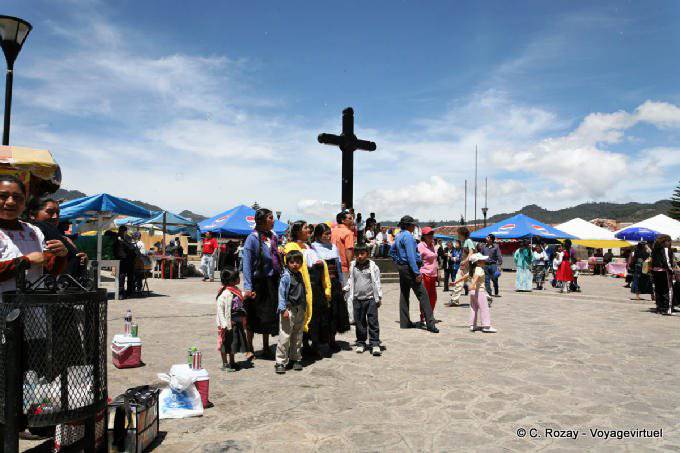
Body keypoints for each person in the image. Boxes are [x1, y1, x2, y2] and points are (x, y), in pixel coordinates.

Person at [0, 175, 68, 297]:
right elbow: (32, 260)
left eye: (17, 197)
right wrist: (25, 261)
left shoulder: (33, 231)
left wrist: (60, 256)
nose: (10, 202)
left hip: (33, 310)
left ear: (24, 201)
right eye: (3, 196)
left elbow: (50, 270)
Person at [242, 208, 282, 358]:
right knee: (253, 316)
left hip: (271, 282)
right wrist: (247, 287)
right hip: (257, 282)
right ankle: (249, 347)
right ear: (262, 220)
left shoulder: (273, 237)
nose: (273, 220)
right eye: (271, 218)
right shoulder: (252, 238)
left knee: (268, 315)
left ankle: (265, 346)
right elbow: (246, 264)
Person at [389, 215, 438, 333]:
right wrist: (416, 273)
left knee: (404, 294)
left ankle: (405, 322)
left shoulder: (398, 236)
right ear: (409, 226)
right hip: (410, 268)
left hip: (402, 267)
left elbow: (392, 251)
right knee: (423, 295)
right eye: (413, 225)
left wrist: (398, 262)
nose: (414, 227)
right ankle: (430, 324)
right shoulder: (408, 237)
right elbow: (411, 256)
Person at [285, 221, 323, 358]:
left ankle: (312, 344)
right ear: (298, 231)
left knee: (314, 316)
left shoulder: (309, 246)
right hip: (299, 286)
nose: (309, 230)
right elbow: (293, 265)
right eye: (305, 227)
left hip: (313, 284)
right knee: (299, 317)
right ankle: (299, 348)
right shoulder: (290, 246)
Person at [311, 223, 350, 352]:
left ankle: (332, 339)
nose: (328, 236)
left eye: (329, 233)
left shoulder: (333, 247)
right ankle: (320, 340)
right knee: (323, 313)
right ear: (318, 235)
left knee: (334, 312)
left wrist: (341, 282)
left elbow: (338, 267)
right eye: (325, 234)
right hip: (321, 285)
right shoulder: (313, 248)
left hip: (334, 284)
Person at [28, 197, 88, 277]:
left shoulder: (60, 236)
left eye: (58, 213)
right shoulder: (33, 233)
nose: (55, 217)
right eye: (50, 212)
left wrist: (80, 257)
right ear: (32, 215)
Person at [345, 244, 383, 355]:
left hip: (370, 299)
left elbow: (377, 282)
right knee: (360, 323)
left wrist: (379, 297)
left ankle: (375, 344)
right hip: (357, 299)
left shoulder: (373, 267)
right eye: (357, 254)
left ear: (367, 254)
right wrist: (345, 289)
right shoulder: (353, 266)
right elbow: (351, 281)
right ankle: (361, 343)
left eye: (362, 254)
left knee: (373, 321)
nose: (360, 256)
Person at [275, 250, 307, 374]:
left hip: (299, 309)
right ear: (287, 263)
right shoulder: (286, 277)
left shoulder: (299, 275)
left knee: (298, 336)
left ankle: (295, 358)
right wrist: (283, 309)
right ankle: (280, 361)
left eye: (298, 262)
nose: (295, 264)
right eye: (292, 262)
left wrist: (305, 307)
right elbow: (281, 294)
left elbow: (303, 291)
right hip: (289, 310)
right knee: (285, 336)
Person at [216, 268, 253, 372]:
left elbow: (240, 293)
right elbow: (220, 311)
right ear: (230, 281)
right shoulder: (224, 294)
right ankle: (225, 363)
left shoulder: (235, 289)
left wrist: (247, 294)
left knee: (233, 343)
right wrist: (224, 324)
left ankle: (232, 362)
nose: (239, 279)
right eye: (237, 277)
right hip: (227, 324)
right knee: (224, 344)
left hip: (236, 322)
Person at [452, 253, 497, 333]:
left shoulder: (472, 269)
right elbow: (476, 277)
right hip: (479, 291)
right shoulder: (479, 269)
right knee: (484, 308)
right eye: (482, 260)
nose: (484, 261)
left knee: (473, 308)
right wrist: (472, 284)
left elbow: (465, 276)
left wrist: (455, 282)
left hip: (472, 292)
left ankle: (473, 325)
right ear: (477, 262)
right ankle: (486, 326)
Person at [331, 210, 355, 321]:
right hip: (344, 266)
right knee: (349, 292)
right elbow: (349, 250)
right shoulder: (348, 233)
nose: (352, 220)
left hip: (333, 265)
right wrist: (351, 266)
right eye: (349, 218)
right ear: (343, 220)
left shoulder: (332, 231)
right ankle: (350, 317)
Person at [448, 227, 475, 306]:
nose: (457, 235)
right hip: (464, 266)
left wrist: (465, 261)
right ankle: (454, 300)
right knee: (459, 281)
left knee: (474, 282)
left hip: (469, 266)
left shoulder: (468, 241)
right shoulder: (463, 242)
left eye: (458, 233)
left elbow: (471, 252)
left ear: (462, 234)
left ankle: (486, 297)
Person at [417, 227, 438, 323]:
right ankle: (424, 317)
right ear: (424, 236)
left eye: (432, 234)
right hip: (425, 274)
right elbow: (417, 259)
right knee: (425, 298)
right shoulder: (420, 246)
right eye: (428, 234)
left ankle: (430, 315)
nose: (431, 236)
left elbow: (435, 260)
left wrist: (438, 272)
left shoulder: (432, 245)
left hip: (433, 275)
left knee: (433, 297)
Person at [651, 234, 675, 314]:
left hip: (655, 271)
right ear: (666, 241)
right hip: (664, 272)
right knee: (668, 290)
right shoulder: (665, 249)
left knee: (658, 290)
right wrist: (671, 271)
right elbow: (666, 261)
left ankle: (659, 308)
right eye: (669, 241)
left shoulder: (654, 249)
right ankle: (667, 308)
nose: (670, 243)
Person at [114, 225, 138, 298]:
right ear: (124, 231)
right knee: (124, 276)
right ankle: (124, 293)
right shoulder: (120, 238)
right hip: (125, 259)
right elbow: (130, 247)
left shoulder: (122, 237)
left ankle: (126, 293)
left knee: (125, 276)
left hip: (126, 259)